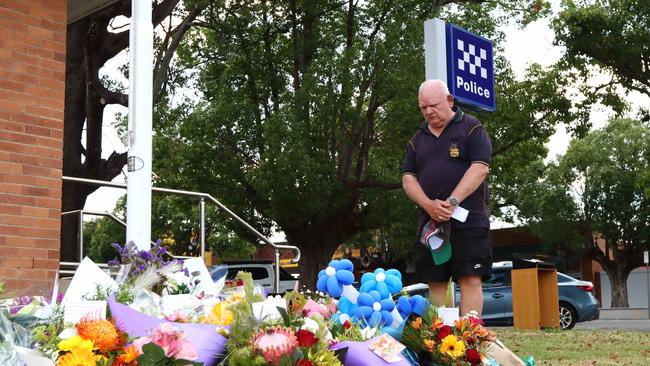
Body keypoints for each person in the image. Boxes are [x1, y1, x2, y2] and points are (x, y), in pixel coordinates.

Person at [402, 79, 493, 316]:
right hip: (431, 224)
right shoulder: (417, 138)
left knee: (470, 278)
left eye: (433, 105)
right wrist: (428, 205)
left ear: (449, 101)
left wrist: (452, 202)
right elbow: (408, 178)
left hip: (469, 221)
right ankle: (442, 342)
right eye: (423, 108)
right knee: (436, 282)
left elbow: (481, 167)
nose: (428, 112)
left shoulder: (472, 127)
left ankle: (471, 339)